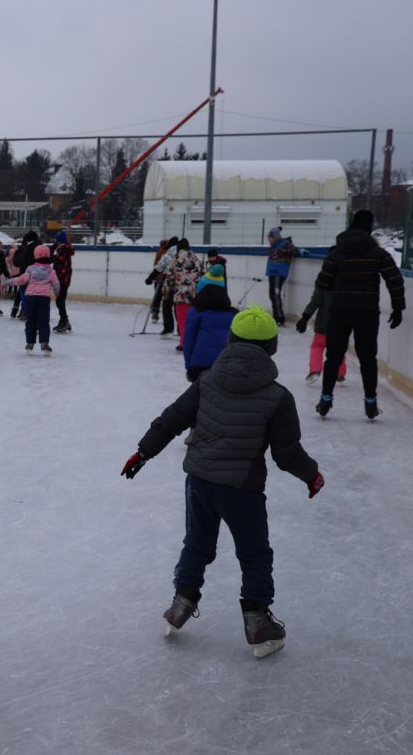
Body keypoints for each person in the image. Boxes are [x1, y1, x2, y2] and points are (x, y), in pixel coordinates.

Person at [121, 305, 322, 659]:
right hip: (242, 489)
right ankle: (258, 622)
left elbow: (171, 420)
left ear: (230, 340)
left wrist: (142, 453)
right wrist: (312, 475)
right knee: (254, 553)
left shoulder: (207, 380)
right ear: (272, 347)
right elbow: (286, 454)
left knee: (197, 545)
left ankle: (180, 604)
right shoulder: (278, 396)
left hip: (199, 481)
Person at [312, 209, 406, 419]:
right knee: (367, 357)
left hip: (339, 310)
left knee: (333, 356)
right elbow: (395, 280)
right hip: (367, 311)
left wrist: (339, 285)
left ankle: (325, 400)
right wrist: (398, 307)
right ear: (369, 227)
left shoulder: (337, 253)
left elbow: (322, 282)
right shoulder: (378, 253)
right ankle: (370, 402)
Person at [182, 265, 236, 382]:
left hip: (199, 366)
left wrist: (189, 366)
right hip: (225, 365)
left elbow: (188, 340)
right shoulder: (233, 313)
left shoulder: (196, 311)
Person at [295, 275, 346, 385]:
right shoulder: (346, 280)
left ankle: (315, 370)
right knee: (338, 348)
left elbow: (315, 302)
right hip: (341, 323)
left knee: (317, 346)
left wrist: (305, 318)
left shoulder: (323, 280)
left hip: (323, 324)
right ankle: (340, 373)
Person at [10, 244, 60, 354]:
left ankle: (30, 344)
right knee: (44, 321)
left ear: (35, 255)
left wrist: (8, 282)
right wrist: (57, 293)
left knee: (30, 321)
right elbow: (56, 284)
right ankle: (44, 344)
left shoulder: (30, 268)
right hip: (44, 298)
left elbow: (22, 280)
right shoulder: (51, 270)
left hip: (31, 298)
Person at [170, 239, 202, 352]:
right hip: (194, 295)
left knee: (182, 321)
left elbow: (170, 276)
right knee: (193, 320)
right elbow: (203, 274)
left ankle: (184, 343)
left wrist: (166, 290)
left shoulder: (176, 259)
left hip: (181, 295)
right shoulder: (196, 259)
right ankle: (194, 341)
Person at [264, 226, 297, 326]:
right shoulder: (274, 245)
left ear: (276, 237)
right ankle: (276, 316)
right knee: (272, 294)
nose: (269, 240)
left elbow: (293, 250)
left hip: (279, 273)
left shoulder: (285, 244)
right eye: (269, 238)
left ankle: (279, 317)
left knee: (275, 294)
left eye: (271, 238)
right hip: (272, 272)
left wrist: (280, 251)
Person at [147, 237, 178, 323]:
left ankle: (157, 313)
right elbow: (157, 264)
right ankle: (155, 312)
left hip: (164, 278)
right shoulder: (161, 252)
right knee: (158, 297)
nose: (163, 246)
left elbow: (158, 266)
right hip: (161, 278)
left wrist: (152, 277)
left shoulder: (169, 253)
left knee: (164, 299)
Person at [10, 231, 40, 319]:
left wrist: (19, 251)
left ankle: (25, 311)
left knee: (24, 293)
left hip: (26, 275)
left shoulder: (26, 249)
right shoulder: (41, 247)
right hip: (39, 276)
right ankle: (28, 311)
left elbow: (17, 262)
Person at [52, 231, 75, 333]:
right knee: (60, 301)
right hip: (62, 279)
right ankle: (63, 321)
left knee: (60, 301)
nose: (55, 242)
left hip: (62, 279)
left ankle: (65, 321)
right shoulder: (63, 249)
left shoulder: (63, 250)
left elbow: (56, 260)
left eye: (56, 240)